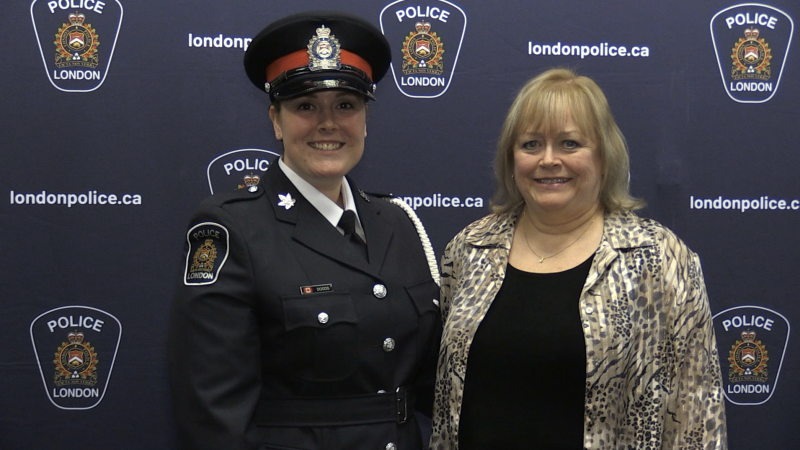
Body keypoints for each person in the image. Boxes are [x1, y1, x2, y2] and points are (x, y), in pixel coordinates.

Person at [168, 11, 442, 450]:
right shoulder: (232, 227)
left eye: (346, 106)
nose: (328, 123)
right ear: (275, 120)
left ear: (366, 120)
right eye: (306, 106)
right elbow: (213, 413)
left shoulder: (399, 223)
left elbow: (432, 381)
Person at [429, 68, 727, 450]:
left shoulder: (659, 258)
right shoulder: (470, 249)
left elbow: (696, 413)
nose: (549, 160)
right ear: (511, 158)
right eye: (531, 144)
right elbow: (442, 405)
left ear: (604, 157)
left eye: (570, 144)